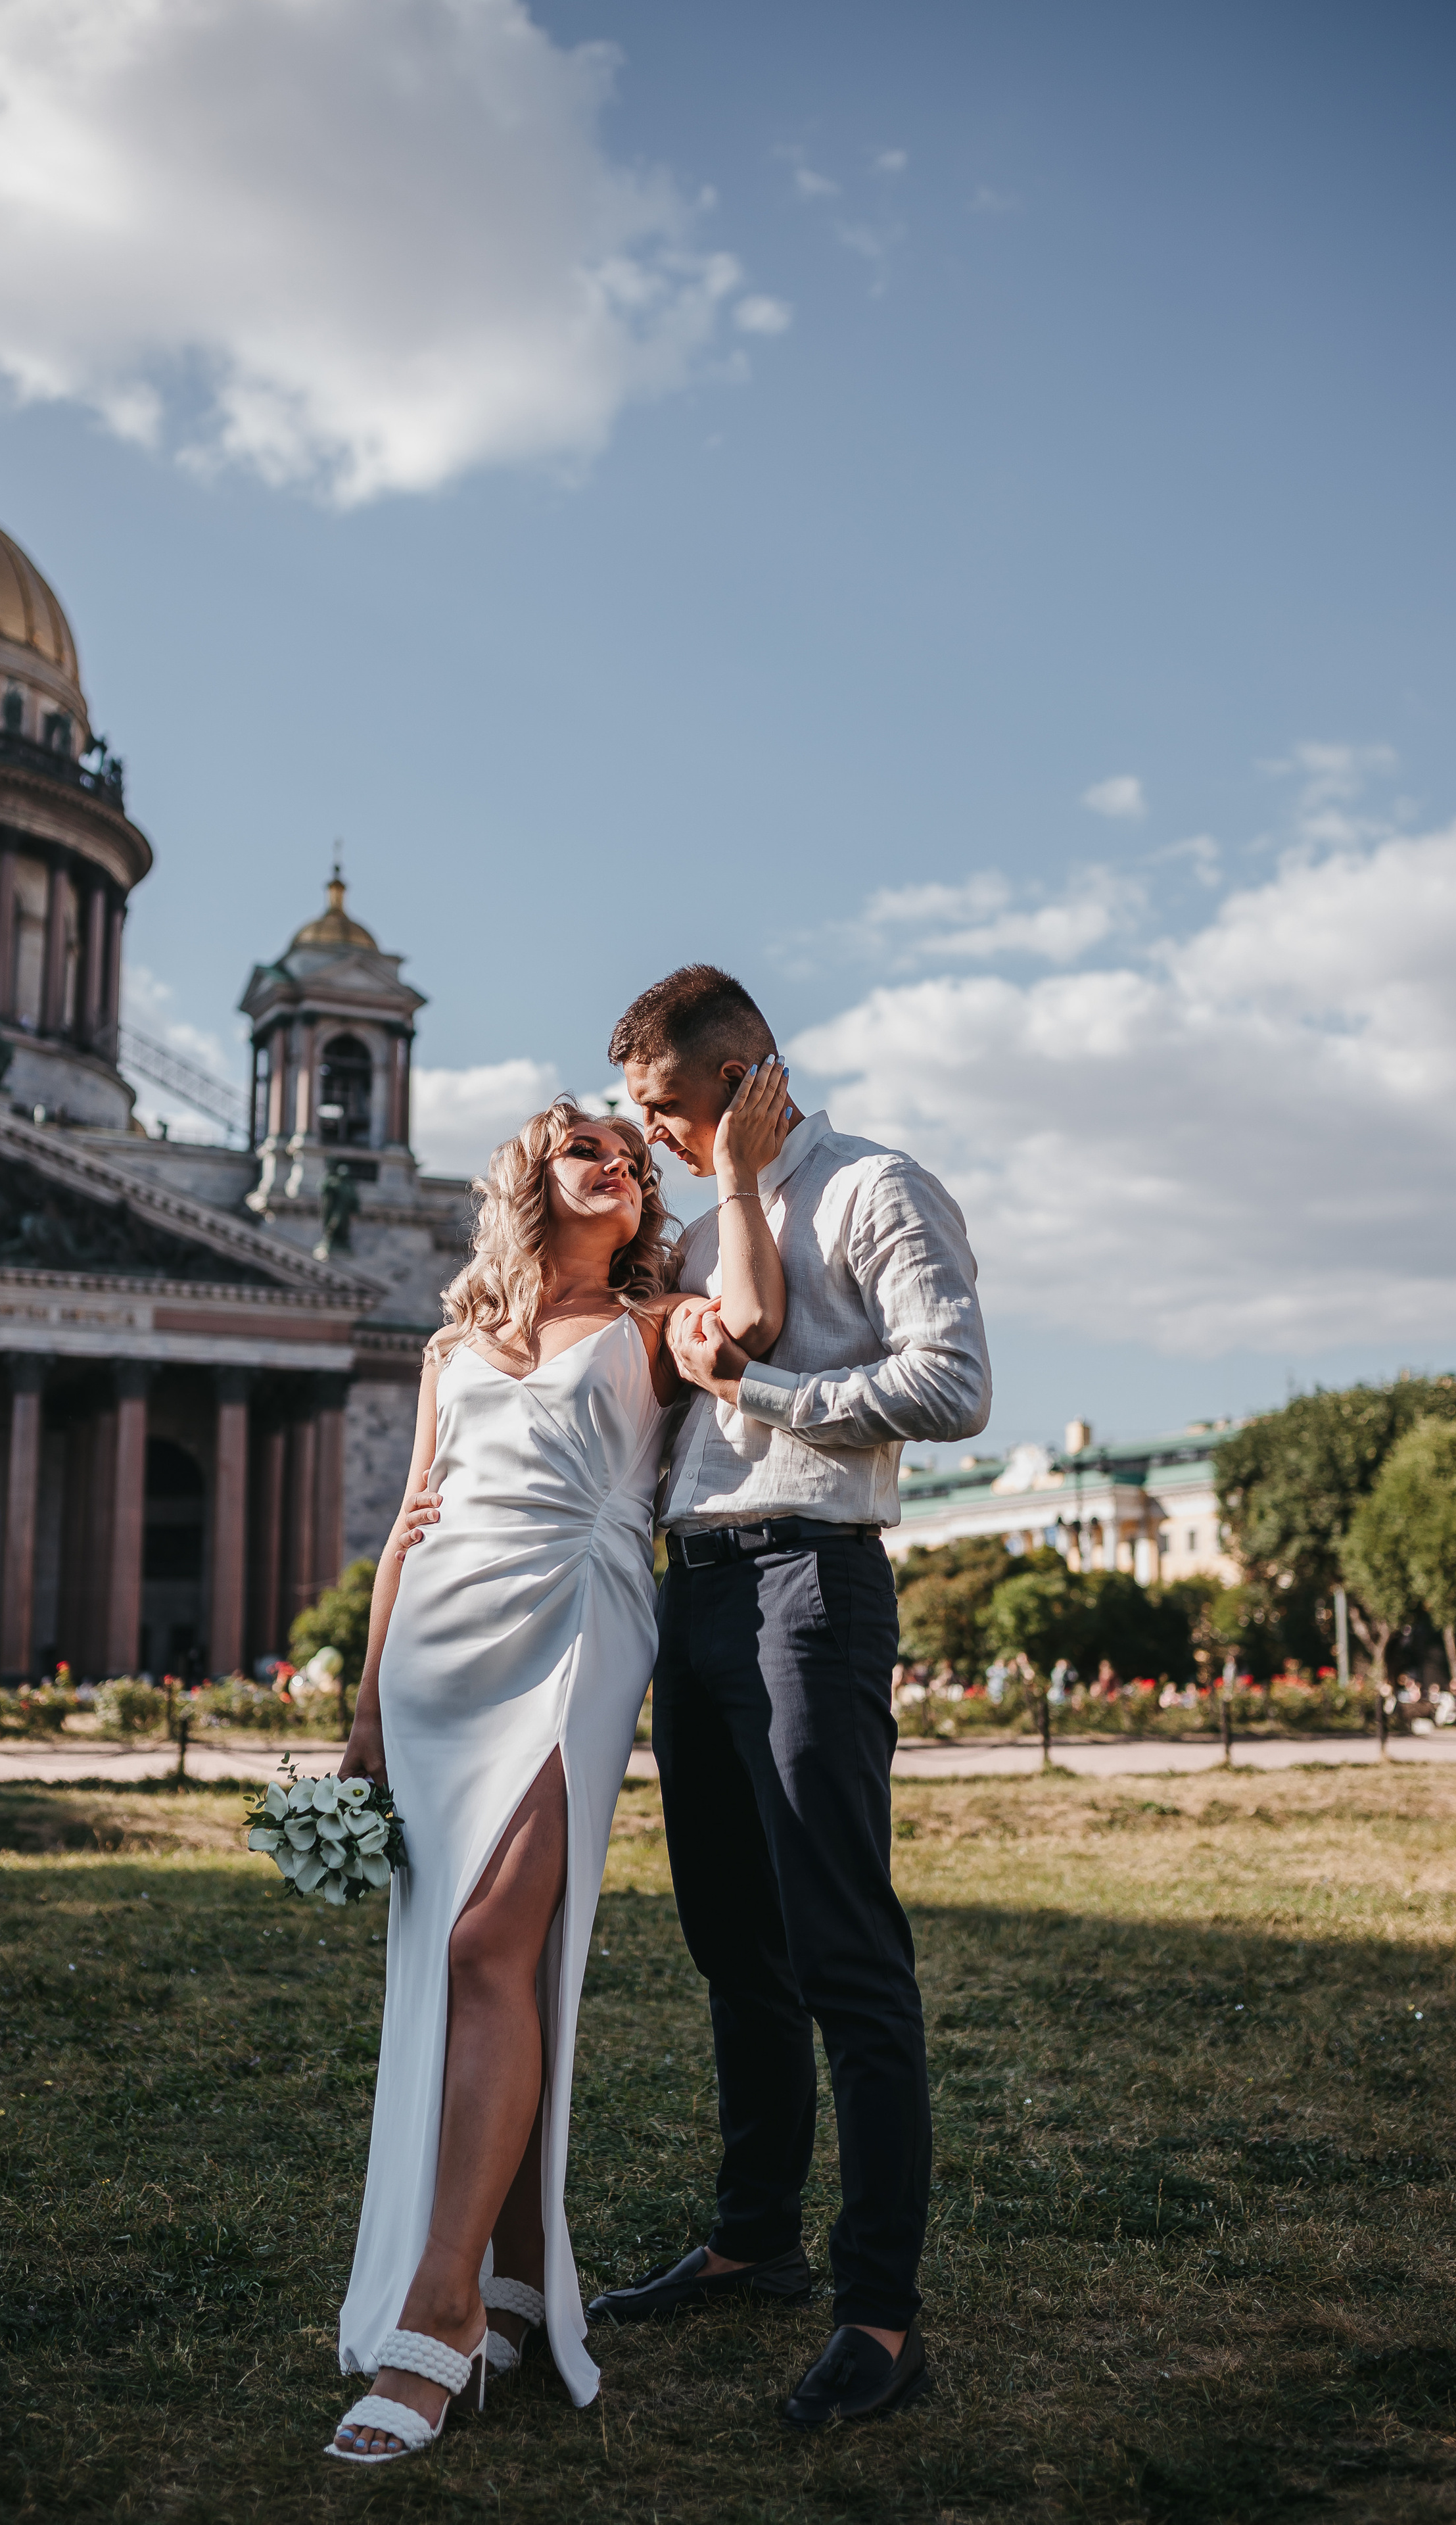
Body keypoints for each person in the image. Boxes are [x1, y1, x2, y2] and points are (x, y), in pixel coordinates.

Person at [325, 1070, 792, 2463]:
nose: (613, 1165)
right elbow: (409, 1528)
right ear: (531, 1176)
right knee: (482, 1966)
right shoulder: (450, 1342)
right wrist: (361, 1718)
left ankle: (439, 2311)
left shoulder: (658, 1323)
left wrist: (747, 1183)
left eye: (630, 1159)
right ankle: (515, 2280)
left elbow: (755, 1323)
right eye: (578, 1147)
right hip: (434, 1669)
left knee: (489, 1945)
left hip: (581, 1633)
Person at [590, 964, 991, 2430]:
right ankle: (751, 2239)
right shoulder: (701, 1223)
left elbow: (952, 1385)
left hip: (808, 1581)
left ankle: (880, 2317)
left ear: (746, 1075)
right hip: (691, 1589)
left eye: (666, 1107)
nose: (653, 1134)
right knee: (727, 1939)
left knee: (840, 1949)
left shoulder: (876, 1187)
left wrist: (763, 1400)